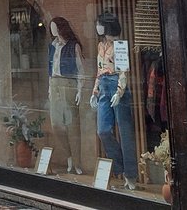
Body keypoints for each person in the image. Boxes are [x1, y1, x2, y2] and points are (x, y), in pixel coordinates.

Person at [91, 11, 138, 190]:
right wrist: (95, 91)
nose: (97, 27)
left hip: (117, 85)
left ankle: (131, 175)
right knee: (103, 130)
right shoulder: (100, 46)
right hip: (103, 86)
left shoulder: (119, 46)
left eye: (99, 23)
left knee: (125, 132)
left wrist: (119, 92)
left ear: (107, 25)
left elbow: (123, 71)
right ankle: (120, 167)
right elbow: (100, 69)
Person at [47, 16, 85, 175]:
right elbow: (50, 69)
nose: (52, 30)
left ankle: (76, 163)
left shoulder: (73, 46)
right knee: (56, 124)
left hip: (69, 84)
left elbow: (81, 70)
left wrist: (80, 89)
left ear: (61, 28)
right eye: (51, 27)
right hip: (55, 84)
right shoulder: (52, 47)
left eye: (54, 27)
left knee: (72, 125)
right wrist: (49, 89)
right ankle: (68, 156)